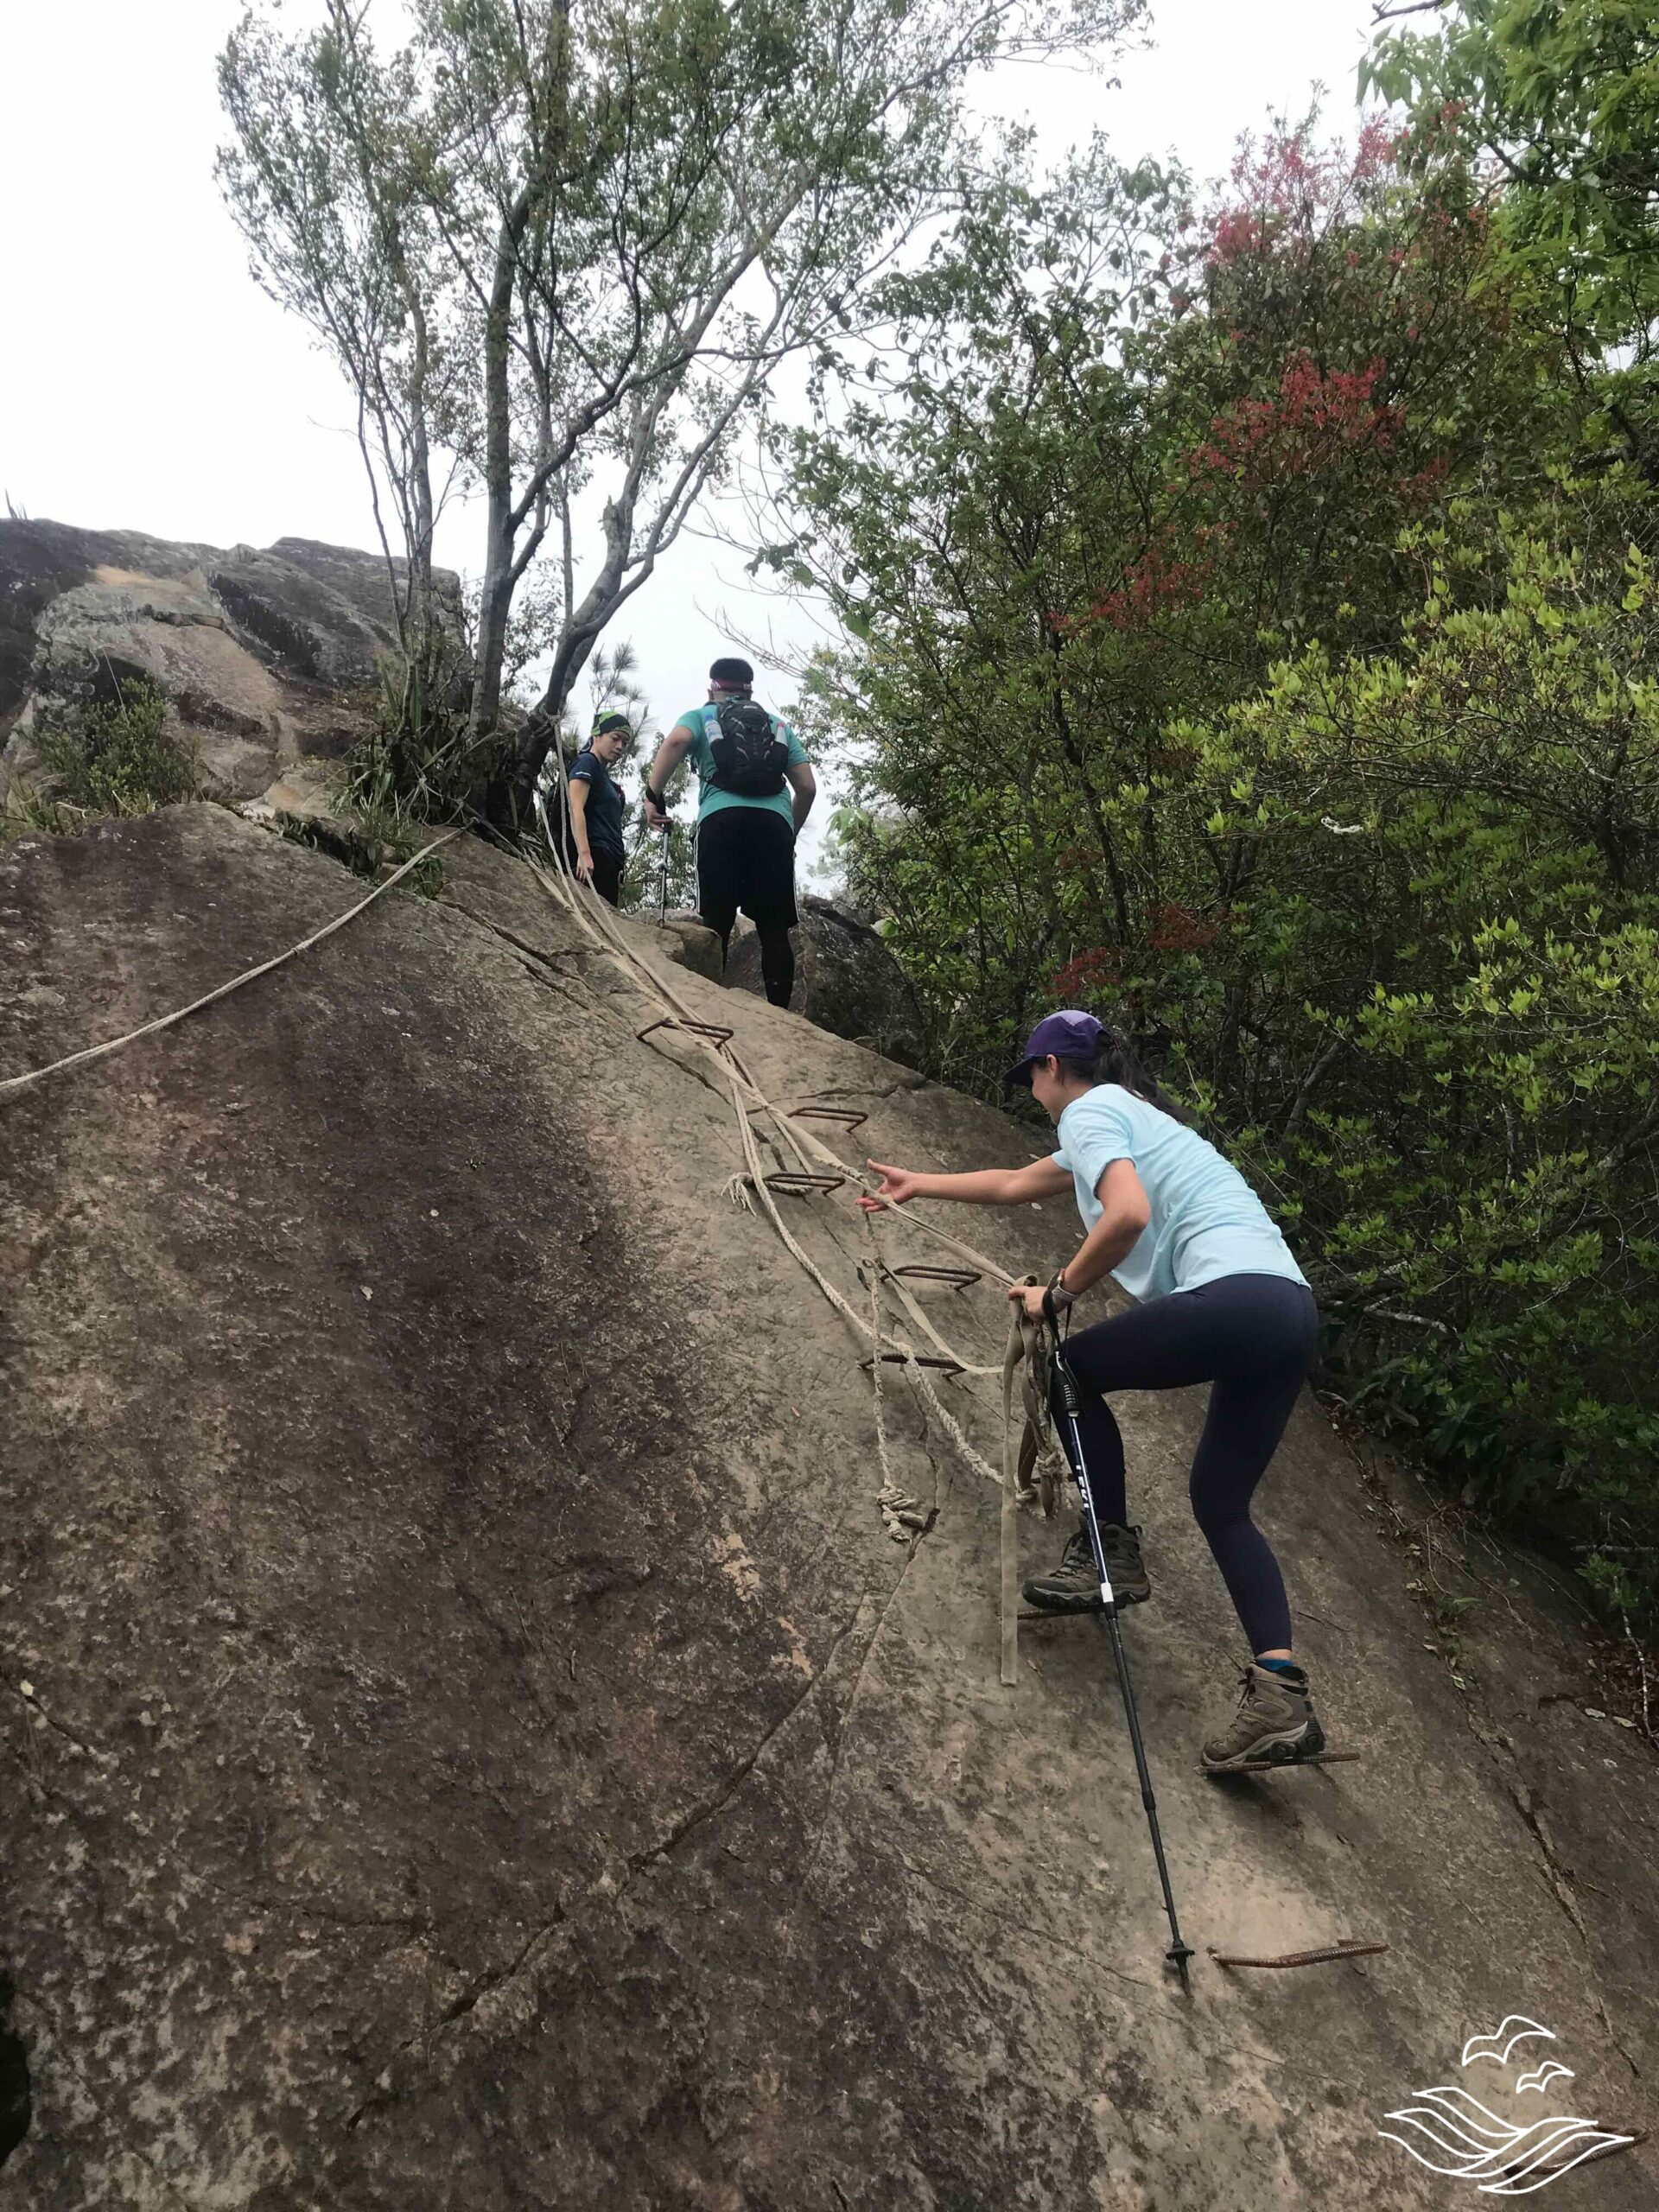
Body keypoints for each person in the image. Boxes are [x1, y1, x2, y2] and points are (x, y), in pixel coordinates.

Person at [858, 1009, 1324, 1771]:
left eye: (1031, 1076)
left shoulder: (1091, 1110)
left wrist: (1059, 1295)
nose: (1032, 1091)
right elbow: (1015, 1183)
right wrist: (921, 1185)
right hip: (1287, 1312)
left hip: (1237, 1297)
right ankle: (1280, 1694)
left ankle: (1108, 1546)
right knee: (1221, 1504)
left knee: (1068, 1366)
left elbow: (1129, 1215)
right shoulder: (1127, 1117)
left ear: (1050, 1067)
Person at [639, 656, 816, 1008]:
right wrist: (789, 832)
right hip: (774, 826)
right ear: (750, 688)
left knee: (716, 921)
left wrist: (652, 798)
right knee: (774, 928)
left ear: (712, 687)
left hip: (720, 821)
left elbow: (675, 742)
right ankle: (779, 1013)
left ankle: (714, 1009)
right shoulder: (776, 724)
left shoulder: (702, 716)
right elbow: (807, 788)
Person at [567, 711, 632, 907]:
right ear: (597, 735)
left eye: (625, 743)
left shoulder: (610, 783)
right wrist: (584, 854)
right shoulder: (587, 762)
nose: (620, 746)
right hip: (592, 858)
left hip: (609, 862)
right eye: (615, 738)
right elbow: (575, 807)